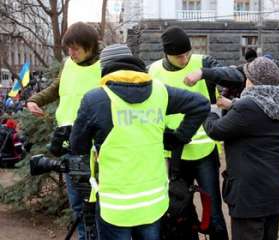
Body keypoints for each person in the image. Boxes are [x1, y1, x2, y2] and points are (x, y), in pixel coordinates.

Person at [70, 44, 211, 240]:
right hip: (153, 202)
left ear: (106, 68)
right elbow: (201, 104)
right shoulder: (160, 91)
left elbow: (78, 147)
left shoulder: (96, 99)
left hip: (116, 206)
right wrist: (178, 138)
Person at [149, 26, 244, 240]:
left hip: (204, 152)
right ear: (166, 53)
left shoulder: (203, 61)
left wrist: (204, 73)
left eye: (187, 53)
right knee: (180, 210)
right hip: (173, 154)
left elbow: (237, 76)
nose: (184, 59)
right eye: (178, 55)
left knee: (214, 211)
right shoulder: (153, 71)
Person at [26, 22, 101, 240]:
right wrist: (34, 100)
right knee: (77, 203)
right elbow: (57, 87)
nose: (71, 53)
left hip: (96, 146)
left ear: (91, 47)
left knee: (97, 204)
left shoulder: (105, 66)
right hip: (69, 142)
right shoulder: (68, 63)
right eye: (69, 48)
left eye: (76, 48)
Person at [203, 57, 279, 240]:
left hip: (249, 191)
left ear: (253, 81)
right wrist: (234, 104)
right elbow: (259, 112)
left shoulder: (247, 107)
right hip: (273, 185)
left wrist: (211, 108)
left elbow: (215, 130)